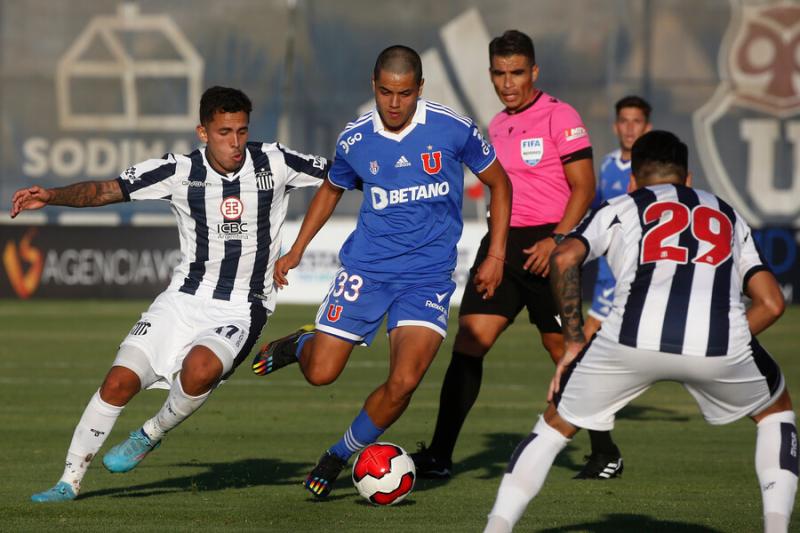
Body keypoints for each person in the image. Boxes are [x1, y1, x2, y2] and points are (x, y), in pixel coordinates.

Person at [12, 86, 329, 502]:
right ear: (203, 132)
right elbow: (106, 191)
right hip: (182, 299)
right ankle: (68, 482)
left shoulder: (276, 160)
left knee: (199, 370)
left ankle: (150, 433)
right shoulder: (178, 171)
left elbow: (339, 175)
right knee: (118, 382)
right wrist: (52, 196)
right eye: (223, 132)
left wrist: (299, 248)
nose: (235, 142)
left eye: (241, 131)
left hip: (242, 306)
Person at [483, 130, 797, 533]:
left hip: (629, 339)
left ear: (633, 179)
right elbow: (771, 302)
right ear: (688, 178)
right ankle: (776, 527)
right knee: (776, 413)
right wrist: (725, 337)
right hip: (720, 344)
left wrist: (574, 343)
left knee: (554, 426)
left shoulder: (622, 205)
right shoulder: (726, 212)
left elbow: (563, 256)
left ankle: (497, 527)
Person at [250, 44, 512, 498]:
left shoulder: (453, 128)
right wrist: (296, 250)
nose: (394, 104)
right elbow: (331, 190)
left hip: (427, 279)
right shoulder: (355, 139)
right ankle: (304, 343)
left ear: (420, 89)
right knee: (321, 374)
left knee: (405, 381)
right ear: (374, 86)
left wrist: (496, 255)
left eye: (405, 93)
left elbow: (499, 183)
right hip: (367, 271)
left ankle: (337, 454)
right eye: (386, 92)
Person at [411, 29, 622, 480]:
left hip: (552, 246)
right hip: (503, 246)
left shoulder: (559, 116)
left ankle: (606, 451)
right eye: (500, 74)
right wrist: (494, 251)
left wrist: (560, 240)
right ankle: (441, 455)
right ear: (491, 73)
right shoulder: (497, 125)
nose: (509, 83)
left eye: (518, 73)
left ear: (534, 72)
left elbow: (585, 187)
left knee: (563, 349)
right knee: (469, 342)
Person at [584, 95, 652, 339]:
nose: (630, 128)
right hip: (608, 265)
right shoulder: (607, 164)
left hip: (638, 263)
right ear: (615, 126)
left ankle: (572, 376)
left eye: (636, 121)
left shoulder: (654, 168)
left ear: (647, 127)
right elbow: (598, 208)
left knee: (590, 332)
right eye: (624, 121)